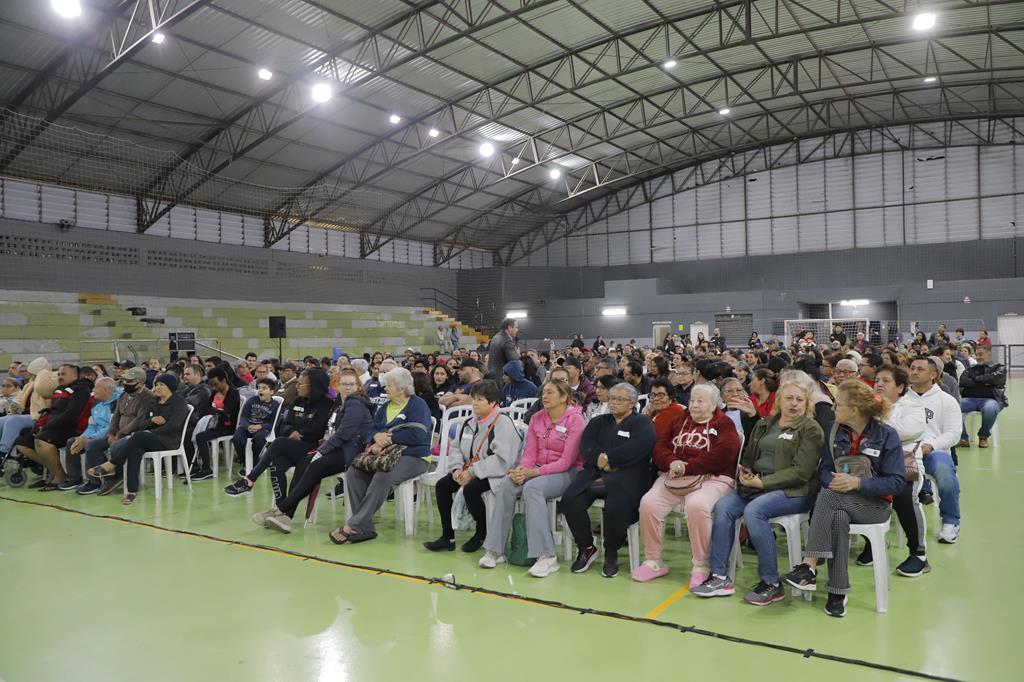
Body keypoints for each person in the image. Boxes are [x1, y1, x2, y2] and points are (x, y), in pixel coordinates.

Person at [782, 380, 906, 618]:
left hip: (875, 505)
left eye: (837, 405)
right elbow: (825, 469)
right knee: (837, 517)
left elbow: (897, 482)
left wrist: (858, 483)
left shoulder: (886, 435)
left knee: (828, 496)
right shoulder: (834, 432)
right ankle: (837, 592)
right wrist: (834, 480)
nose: (832, 409)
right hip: (840, 500)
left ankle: (809, 565)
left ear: (855, 409)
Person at [693, 381, 823, 605]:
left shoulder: (810, 429)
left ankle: (771, 582)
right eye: (789, 398)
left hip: (793, 490)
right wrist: (746, 473)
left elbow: (802, 472)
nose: (794, 404)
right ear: (779, 400)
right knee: (723, 508)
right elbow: (749, 455)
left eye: (799, 400)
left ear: (807, 404)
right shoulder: (766, 424)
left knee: (754, 511)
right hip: (756, 483)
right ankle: (719, 576)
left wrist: (763, 483)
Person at [632, 384, 741, 587]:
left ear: (714, 404)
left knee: (697, 505)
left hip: (713, 477)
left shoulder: (724, 424)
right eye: (692, 400)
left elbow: (725, 453)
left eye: (701, 401)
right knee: (649, 503)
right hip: (676, 476)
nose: (695, 405)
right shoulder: (679, 420)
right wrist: (671, 462)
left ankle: (701, 565)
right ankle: (653, 560)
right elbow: (659, 447)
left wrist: (688, 467)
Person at [479, 379, 585, 576]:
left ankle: (547, 556)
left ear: (564, 398)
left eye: (551, 393)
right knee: (506, 484)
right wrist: (521, 470)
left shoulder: (576, 420)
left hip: (568, 473)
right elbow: (529, 453)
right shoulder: (537, 418)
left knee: (532, 488)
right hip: (536, 470)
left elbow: (567, 461)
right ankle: (495, 550)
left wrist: (533, 473)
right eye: (544, 392)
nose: (545, 396)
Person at [255, 368, 372, 532]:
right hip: (338, 449)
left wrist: (321, 451)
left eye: (352, 384)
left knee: (313, 465)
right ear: (338, 386)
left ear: (358, 386)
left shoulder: (355, 404)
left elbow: (343, 435)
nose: (347, 387)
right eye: (344, 384)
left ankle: (281, 509)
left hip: (350, 453)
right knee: (305, 463)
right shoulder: (342, 402)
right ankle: (286, 515)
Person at [561, 382, 656, 578]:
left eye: (620, 399)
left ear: (632, 403)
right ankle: (587, 547)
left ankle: (611, 552)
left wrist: (611, 458)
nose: (614, 403)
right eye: (612, 398)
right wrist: (600, 460)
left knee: (616, 503)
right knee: (571, 499)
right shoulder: (599, 422)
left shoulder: (642, 423)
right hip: (595, 472)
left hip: (629, 473)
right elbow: (586, 444)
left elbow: (640, 447)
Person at [328, 368, 432, 544]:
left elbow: (418, 435)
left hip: (414, 456)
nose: (385, 389)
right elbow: (372, 428)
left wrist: (388, 439)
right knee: (354, 471)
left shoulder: (418, 404)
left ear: (401, 388)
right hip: (385, 455)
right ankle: (365, 528)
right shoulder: (385, 406)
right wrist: (376, 437)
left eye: (389, 386)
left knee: (383, 476)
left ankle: (354, 524)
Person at [423, 380, 523, 553]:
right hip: (468, 469)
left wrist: (472, 472)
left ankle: (482, 533)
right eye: (473, 399)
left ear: (492, 403)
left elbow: (503, 460)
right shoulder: (468, 422)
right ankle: (448, 536)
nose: (474, 403)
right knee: (443, 486)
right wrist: (456, 469)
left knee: (471, 489)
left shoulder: (503, 423)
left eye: (480, 400)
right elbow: (455, 448)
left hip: (496, 473)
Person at [888, 357, 963, 544]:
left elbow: (954, 433)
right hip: (901, 451)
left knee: (945, 471)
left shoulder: (946, 400)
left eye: (920, 369)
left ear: (933, 375)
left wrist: (932, 445)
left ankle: (950, 521)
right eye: (912, 368)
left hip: (933, 451)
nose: (913, 372)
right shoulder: (900, 399)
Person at [224, 369, 331, 496]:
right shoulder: (297, 401)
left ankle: (250, 479)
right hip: (292, 445)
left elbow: (317, 431)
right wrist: (290, 430)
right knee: (276, 464)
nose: (297, 386)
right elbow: (283, 424)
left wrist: (298, 432)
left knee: (279, 442)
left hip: (311, 448)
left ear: (313, 386)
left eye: (300, 384)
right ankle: (282, 507)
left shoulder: (325, 404)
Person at [86, 374, 189, 505]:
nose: (157, 387)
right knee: (135, 449)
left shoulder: (179, 402)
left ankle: (112, 464)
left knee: (138, 437)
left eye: (161, 385)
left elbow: (174, 425)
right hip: (149, 438)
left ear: (170, 387)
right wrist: (151, 420)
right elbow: (142, 424)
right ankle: (132, 491)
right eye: (156, 384)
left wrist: (152, 431)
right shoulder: (154, 402)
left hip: (169, 441)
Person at [871, 364, 931, 576]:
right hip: (871, 465)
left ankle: (919, 554)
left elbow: (903, 431)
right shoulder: (869, 406)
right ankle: (873, 542)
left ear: (900, 387)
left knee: (905, 497)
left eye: (885, 381)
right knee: (852, 492)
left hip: (904, 467)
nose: (879, 384)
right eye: (877, 380)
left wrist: (876, 416)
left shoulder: (913, 407)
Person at [79, 366, 154, 496]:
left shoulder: (147, 397)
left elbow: (138, 421)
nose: (125, 384)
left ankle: (117, 474)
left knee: (115, 446)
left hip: (133, 435)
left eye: (129, 381)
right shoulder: (124, 395)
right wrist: (111, 433)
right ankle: (108, 479)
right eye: (125, 381)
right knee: (92, 445)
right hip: (117, 433)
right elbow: (116, 416)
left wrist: (119, 435)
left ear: (140, 383)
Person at [17, 364, 93, 490]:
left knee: (42, 439)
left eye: (64, 374)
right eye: (58, 374)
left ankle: (59, 476)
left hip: (72, 429)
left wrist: (47, 427)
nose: (60, 377)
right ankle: (54, 471)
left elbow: (71, 415)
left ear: (75, 375)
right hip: (54, 427)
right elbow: (51, 411)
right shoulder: (59, 390)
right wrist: (40, 425)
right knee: (22, 443)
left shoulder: (81, 389)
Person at [58, 377, 121, 491]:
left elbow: (112, 427)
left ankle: (95, 482)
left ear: (106, 390)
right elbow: (92, 426)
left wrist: (90, 438)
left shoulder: (117, 403)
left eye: (96, 387)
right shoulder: (96, 405)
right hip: (97, 435)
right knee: (72, 442)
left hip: (113, 435)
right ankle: (74, 478)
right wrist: (82, 437)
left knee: (90, 444)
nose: (93, 390)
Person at [189, 367, 240, 480]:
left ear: (224, 380)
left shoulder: (233, 393)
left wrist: (215, 410)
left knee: (200, 437)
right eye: (212, 385)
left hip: (228, 426)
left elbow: (228, 414)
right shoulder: (215, 393)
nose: (214, 387)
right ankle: (195, 466)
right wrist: (216, 410)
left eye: (216, 384)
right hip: (215, 423)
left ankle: (207, 469)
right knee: (191, 432)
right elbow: (206, 409)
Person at [958, 344, 1006, 448]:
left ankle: (983, 436)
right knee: (953, 406)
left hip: (991, 400)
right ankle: (963, 438)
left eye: (981, 354)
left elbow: (996, 378)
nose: (978, 357)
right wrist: (986, 381)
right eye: (977, 355)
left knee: (990, 409)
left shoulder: (999, 367)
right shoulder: (970, 368)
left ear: (989, 354)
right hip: (969, 399)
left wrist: (975, 379)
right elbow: (963, 381)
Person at [230, 377, 280, 470]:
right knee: (237, 437)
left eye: (264, 388)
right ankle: (244, 462)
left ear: (272, 392)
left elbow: (273, 423)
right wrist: (247, 426)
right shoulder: (252, 400)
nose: (260, 390)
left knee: (259, 439)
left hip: (262, 428)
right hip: (248, 426)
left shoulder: (275, 405)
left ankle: (255, 462)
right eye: (259, 388)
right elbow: (244, 417)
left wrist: (261, 426)